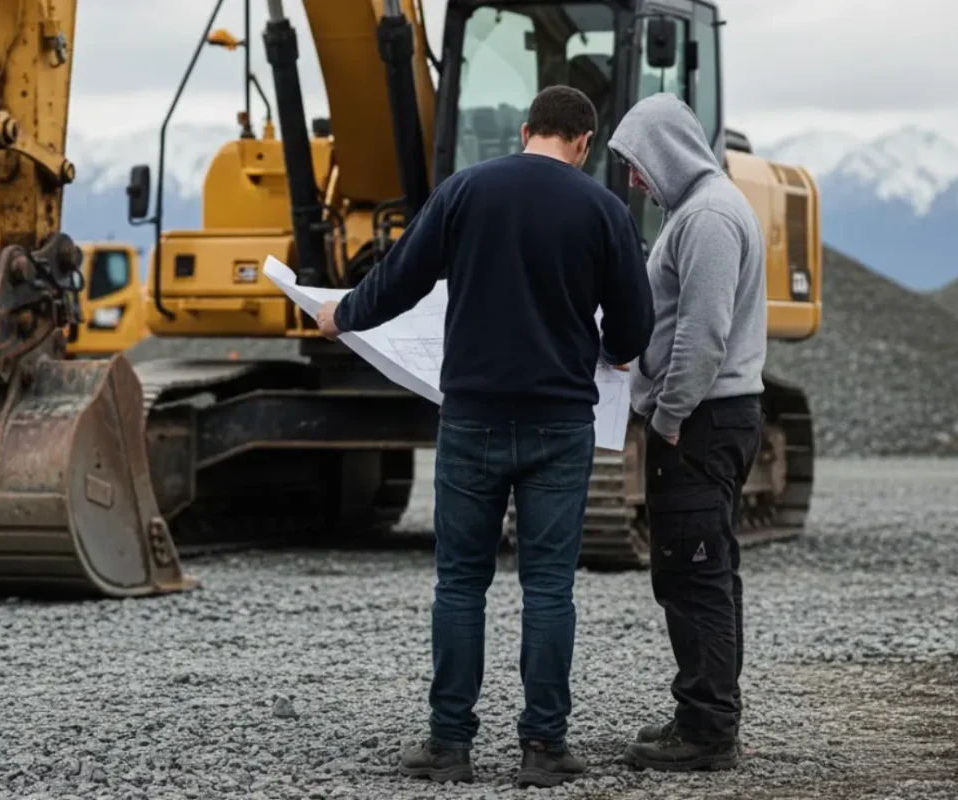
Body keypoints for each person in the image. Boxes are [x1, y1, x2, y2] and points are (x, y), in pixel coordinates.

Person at [314, 84, 654, 788]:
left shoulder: (466, 190)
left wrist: (340, 315)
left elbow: (401, 279)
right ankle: (543, 748)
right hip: (561, 423)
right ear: (585, 144)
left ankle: (448, 745)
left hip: (470, 418)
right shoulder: (604, 210)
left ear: (526, 129)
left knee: (461, 585)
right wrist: (617, 349)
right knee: (549, 588)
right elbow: (631, 327)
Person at [606, 93, 768, 772]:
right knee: (703, 569)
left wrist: (667, 415)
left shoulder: (705, 218)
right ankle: (701, 710)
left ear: (666, 150)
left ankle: (706, 735)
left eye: (638, 162)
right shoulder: (704, 209)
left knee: (695, 572)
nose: (635, 179)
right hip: (711, 418)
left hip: (699, 423)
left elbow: (703, 335)